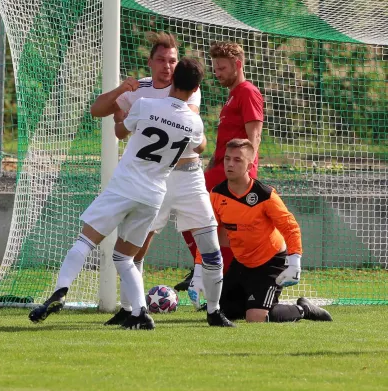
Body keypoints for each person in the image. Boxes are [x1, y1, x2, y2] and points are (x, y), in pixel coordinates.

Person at [30, 58, 231, 329]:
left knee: (86, 241)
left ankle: (61, 290)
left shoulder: (145, 105)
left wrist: (121, 117)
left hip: (125, 186)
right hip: (153, 195)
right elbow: (199, 146)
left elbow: (122, 130)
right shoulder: (194, 124)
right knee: (124, 257)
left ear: (172, 81)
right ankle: (140, 312)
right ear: (196, 87)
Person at [90, 32, 204, 325]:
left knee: (208, 239)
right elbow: (99, 111)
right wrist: (119, 94)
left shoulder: (188, 89)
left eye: (173, 60)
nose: (168, 65)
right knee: (137, 246)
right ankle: (130, 308)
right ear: (150, 62)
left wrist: (129, 120)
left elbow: (192, 132)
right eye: (162, 60)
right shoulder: (138, 89)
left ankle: (214, 309)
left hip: (185, 174)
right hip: (150, 179)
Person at [206, 139, 332, 323]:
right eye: (227, 159)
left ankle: (303, 308)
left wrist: (294, 261)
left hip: (269, 262)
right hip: (241, 263)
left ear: (250, 164)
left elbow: (290, 227)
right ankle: (258, 302)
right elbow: (209, 233)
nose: (230, 164)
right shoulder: (217, 194)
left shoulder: (265, 195)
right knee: (222, 311)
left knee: (256, 318)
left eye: (237, 160)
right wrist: (201, 270)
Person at [175, 41, 264, 293]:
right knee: (211, 225)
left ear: (237, 65)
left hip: (232, 174)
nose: (217, 72)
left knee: (191, 211)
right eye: (215, 68)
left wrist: (245, 173)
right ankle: (213, 274)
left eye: (222, 67)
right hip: (220, 170)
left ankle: (207, 271)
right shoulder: (233, 96)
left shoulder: (248, 92)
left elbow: (253, 136)